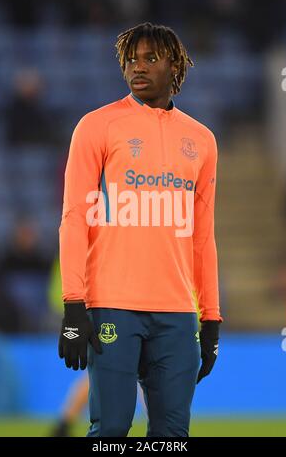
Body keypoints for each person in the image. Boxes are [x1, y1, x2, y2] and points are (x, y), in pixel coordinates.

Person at [58, 22, 222, 437]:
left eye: (151, 58)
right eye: (131, 59)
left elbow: (202, 236)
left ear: (176, 67)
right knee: (110, 430)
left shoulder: (202, 140)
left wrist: (212, 318)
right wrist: (74, 304)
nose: (138, 67)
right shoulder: (95, 127)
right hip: (112, 306)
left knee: (171, 435)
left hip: (178, 315)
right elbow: (74, 216)